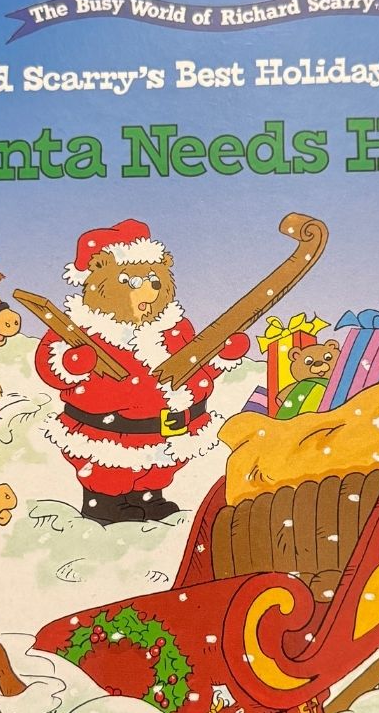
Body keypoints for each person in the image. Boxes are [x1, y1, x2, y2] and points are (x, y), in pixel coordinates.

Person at [34, 218, 249, 524]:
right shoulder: (83, 329)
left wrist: (220, 354)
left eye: (155, 282)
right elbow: (51, 365)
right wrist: (73, 363)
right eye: (132, 282)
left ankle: (149, 497)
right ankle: (104, 504)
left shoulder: (174, 328)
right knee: (109, 468)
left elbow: (192, 367)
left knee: (158, 467)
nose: (149, 291)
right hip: (108, 433)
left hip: (166, 429)